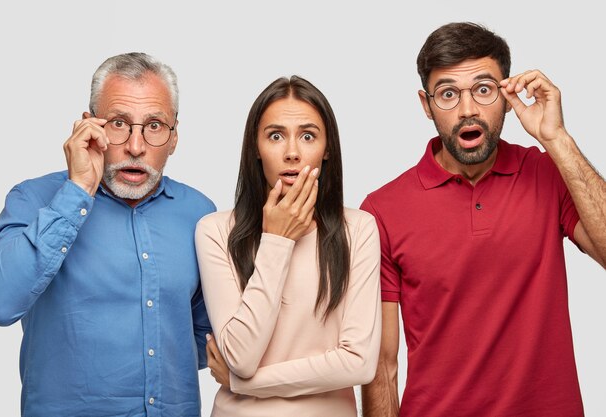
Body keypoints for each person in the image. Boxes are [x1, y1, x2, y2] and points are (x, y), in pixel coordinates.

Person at [360, 22, 606, 417]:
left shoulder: (548, 173)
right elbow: (381, 366)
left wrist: (557, 139)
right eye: (448, 94)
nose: (468, 109)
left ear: (508, 96)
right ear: (426, 105)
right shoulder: (382, 210)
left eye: (484, 89)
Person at [0, 52, 216, 417]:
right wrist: (77, 191)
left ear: (174, 137)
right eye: (119, 123)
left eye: (154, 126)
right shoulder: (34, 199)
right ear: (89, 127)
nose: (136, 147)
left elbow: (201, 338)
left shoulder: (199, 213)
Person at [195, 75, 381, 417]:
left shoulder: (358, 229)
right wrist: (277, 240)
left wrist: (243, 384)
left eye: (308, 136)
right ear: (256, 147)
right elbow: (240, 357)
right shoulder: (216, 231)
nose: (292, 153)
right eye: (276, 136)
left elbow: (359, 363)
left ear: (327, 150)